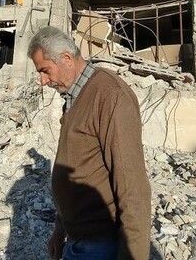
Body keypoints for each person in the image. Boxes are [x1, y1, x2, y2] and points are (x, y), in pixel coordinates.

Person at [28, 26, 151, 260]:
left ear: (66, 58)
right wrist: (60, 230)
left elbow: (132, 188)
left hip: (101, 245)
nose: (43, 81)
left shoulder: (110, 96)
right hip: (77, 240)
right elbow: (80, 165)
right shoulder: (74, 95)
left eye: (45, 71)